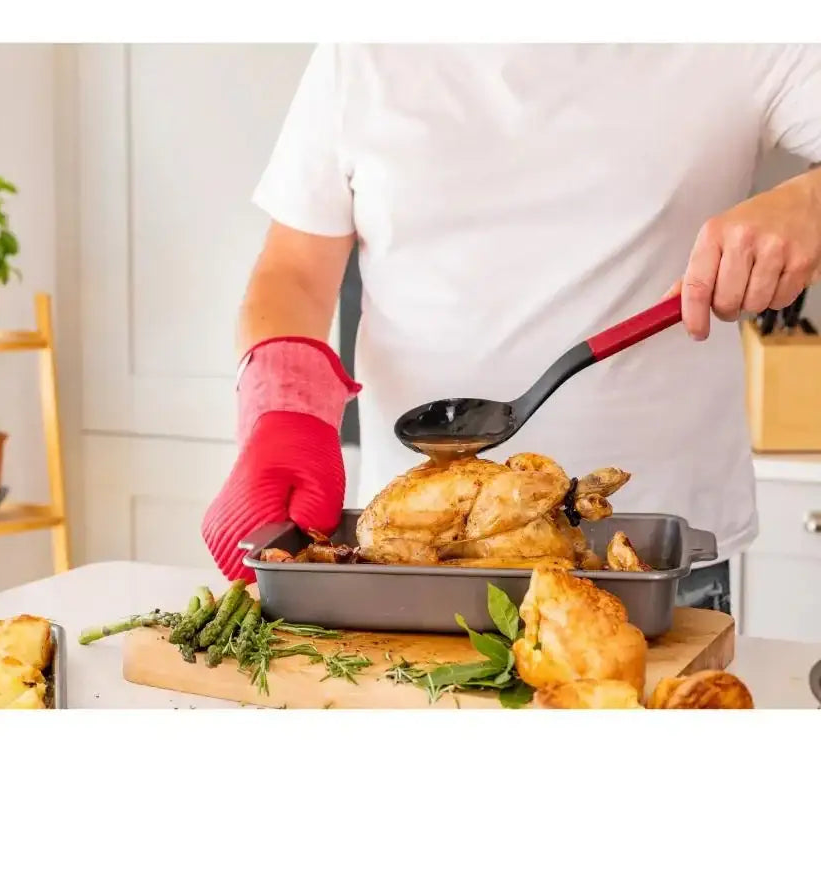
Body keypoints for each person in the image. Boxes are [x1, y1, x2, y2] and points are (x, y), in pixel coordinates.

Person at [202, 44, 821, 611]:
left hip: (654, 564)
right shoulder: (361, 50)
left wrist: (810, 205)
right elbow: (295, 271)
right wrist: (283, 414)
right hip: (408, 564)